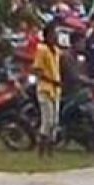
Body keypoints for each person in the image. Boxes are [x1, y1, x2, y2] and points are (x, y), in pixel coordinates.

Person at [33, 24, 63, 157]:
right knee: (47, 121)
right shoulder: (42, 50)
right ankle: (41, 151)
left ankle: (50, 151)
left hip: (56, 90)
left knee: (55, 122)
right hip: (45, 88)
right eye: (53, 34)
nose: (55, 37)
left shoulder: (56, 51)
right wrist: (52, 80)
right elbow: (38, 71)